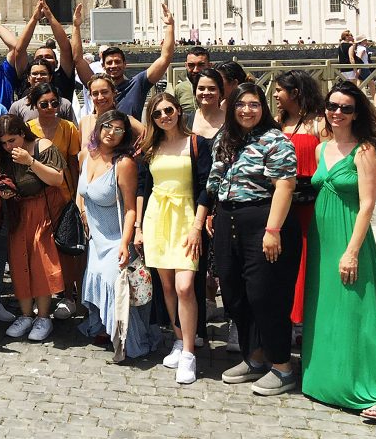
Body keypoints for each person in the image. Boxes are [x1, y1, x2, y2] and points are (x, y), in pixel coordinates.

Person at [302, 81, 376, 423]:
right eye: (332, 106)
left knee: (357, 310)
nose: (337, 113)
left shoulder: (364, 150)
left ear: (356, 113)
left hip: (350, 236)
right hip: (322, 237)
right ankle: (329, 380)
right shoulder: (322, 149)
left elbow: (368, 205)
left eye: (346, 108)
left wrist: (351, 251)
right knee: (327, 309)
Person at [208, 82, 300, 396]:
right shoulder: (225, 138)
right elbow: (215, 180)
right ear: (231, 107)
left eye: (255, 104)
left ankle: (282, 366)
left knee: (266, 296)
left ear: (263, 108)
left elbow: (285, 186)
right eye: (241, 104)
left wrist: (273, 230)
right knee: (234, 293)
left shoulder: (275, 141)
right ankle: (255, 356)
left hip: (262, 220)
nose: (248, 110)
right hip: (227, 219)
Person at [135, 93, 212, 384]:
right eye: (157, 113)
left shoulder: (197, 143)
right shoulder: (150, 146)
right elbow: (144, 187)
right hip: (157, 217)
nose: (164, 116)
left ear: (179, 111)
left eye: (169, 110)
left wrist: (197, 226)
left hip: (186, 217)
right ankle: (178, 339)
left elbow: (206, 186)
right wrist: (140, 228)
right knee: (166, 285)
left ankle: (190, 353)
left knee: (185, 286)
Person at [76, 109, 160, 359]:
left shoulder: (123, 163)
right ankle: (104, 327)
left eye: (118, 129)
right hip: (96, 239)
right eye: (107, 127)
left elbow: (131, 208)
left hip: (117, 239)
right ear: (98, 128)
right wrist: (83, 215)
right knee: (99, 281)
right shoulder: (86, 156)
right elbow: (82, 193)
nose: (111, 133)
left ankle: (128, 340)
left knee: (118, 288)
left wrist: (126, 243)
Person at [0, 114, 67, 342]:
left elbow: (57, 179)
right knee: (18, 261)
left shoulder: (42, 146)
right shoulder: (4, 155)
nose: (8, 146)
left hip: (43, 209)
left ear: (23, 133)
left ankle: (44, 316)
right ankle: (25, 315)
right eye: (3, 142)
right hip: (18, 211)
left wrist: (30, 162)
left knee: (40, 262)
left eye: (12, 140)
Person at [273, 69, 327, 342]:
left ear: (295, 93)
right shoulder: (277, 123)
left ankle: (305, 319)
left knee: (309, 261)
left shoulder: (319, 123)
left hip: (311, 204)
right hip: (283, 203)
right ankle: (288, 316)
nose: (274, 94)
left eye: (279, 90)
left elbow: (330, 164)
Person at [26, 83, 83, 319]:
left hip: (63, 195)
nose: (50, 108)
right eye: (44, 104)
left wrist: (78, 194)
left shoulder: (68, 128)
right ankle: (41, 295)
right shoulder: (27, 129)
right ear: (34, 105)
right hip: (36, 197)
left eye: (54, 103)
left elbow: (73, 163)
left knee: (64, 247)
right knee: (39, 249)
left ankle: (68, 295)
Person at [73, 4, 176, 119]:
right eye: (109, 62)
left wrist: (170, 26)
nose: (114, 66)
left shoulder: (137, 84)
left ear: (125, 64)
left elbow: (165, 58)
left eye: (117, 62)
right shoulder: (97, 85)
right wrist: (76, 27)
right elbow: (78, 60)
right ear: (103, 66)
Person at [77, 73, 144, 146]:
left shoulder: (126, 120)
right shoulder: (84, 122)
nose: (100, 97)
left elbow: (150, 137)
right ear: (90, 96)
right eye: (95, 94)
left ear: (114, 92)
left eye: (104, 92)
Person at [8, 60, 76, 123]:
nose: (39, 77)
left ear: (50, 77)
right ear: (28, 78)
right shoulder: (17, 106)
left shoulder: (64, 104)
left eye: (43, 73)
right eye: (34, 74)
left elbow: (74, 132)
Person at [171, 46, 210, 117]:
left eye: (201, 65)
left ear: (209, 66)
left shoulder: (218, 88)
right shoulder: (180, 88)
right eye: (191, 65)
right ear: (186, 65)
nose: (196, 70)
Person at [189, 68, 226, 139]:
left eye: (212, 89)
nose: (206, 93)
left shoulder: (231, 121)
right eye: (201, 88)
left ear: (220, 91)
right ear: (195, 91)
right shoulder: (186, 121)